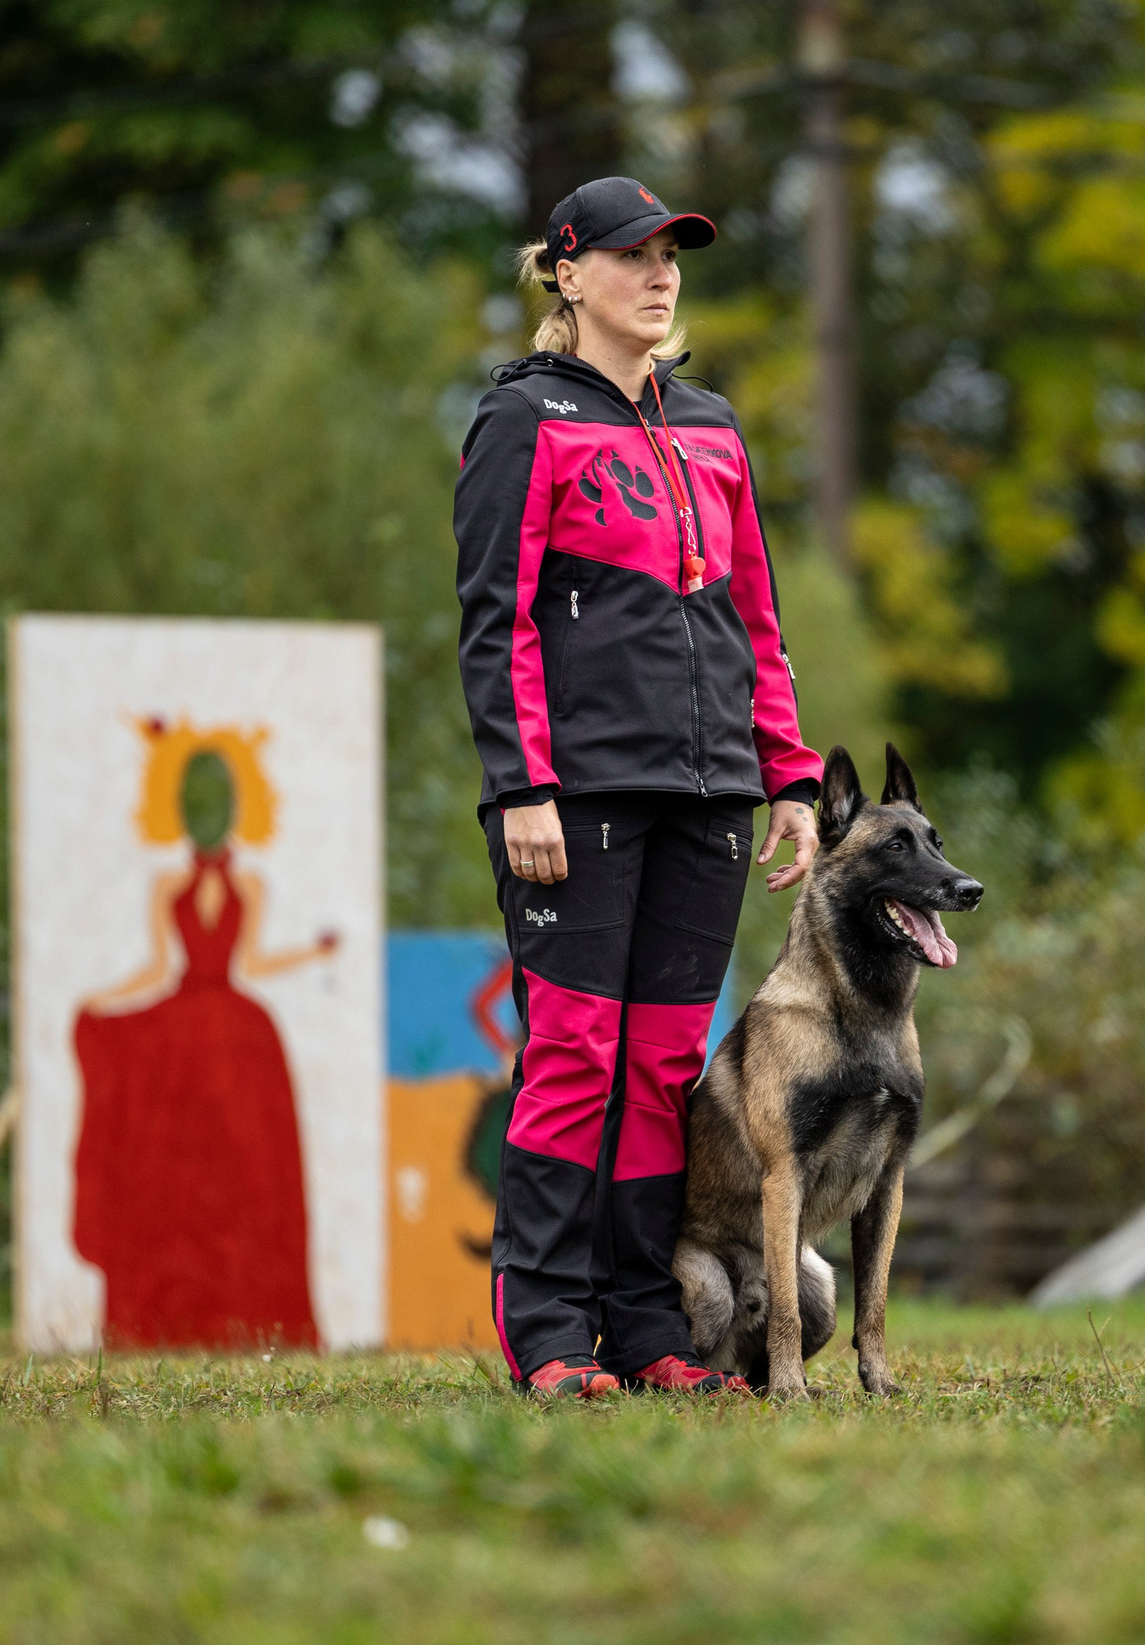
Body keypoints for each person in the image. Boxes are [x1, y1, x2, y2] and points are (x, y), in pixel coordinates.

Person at [455, 176, 824, 1397]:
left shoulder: (713, 424)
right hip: (577, 798)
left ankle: (648, 1329)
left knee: (667, 1068)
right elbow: (494, 618)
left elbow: (753, 619)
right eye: (629, 256)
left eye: (671, 256)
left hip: (712, 795)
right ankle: (550, 1337)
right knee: (574, 1056)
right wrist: (521, 788)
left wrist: (789, 776)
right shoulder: (523, 420)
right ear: (566, 274)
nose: (658, 275)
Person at [73, 742, 340, 1349]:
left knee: (246, 1179)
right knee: (176, 1179)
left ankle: (245, 1316)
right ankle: (175, 1315)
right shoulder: (169, 883)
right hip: (189, 1044)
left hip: (236, 1045)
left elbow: (251, 960)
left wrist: (312, 954)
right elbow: (159, 964)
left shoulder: (250, 881)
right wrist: (104, 1002)